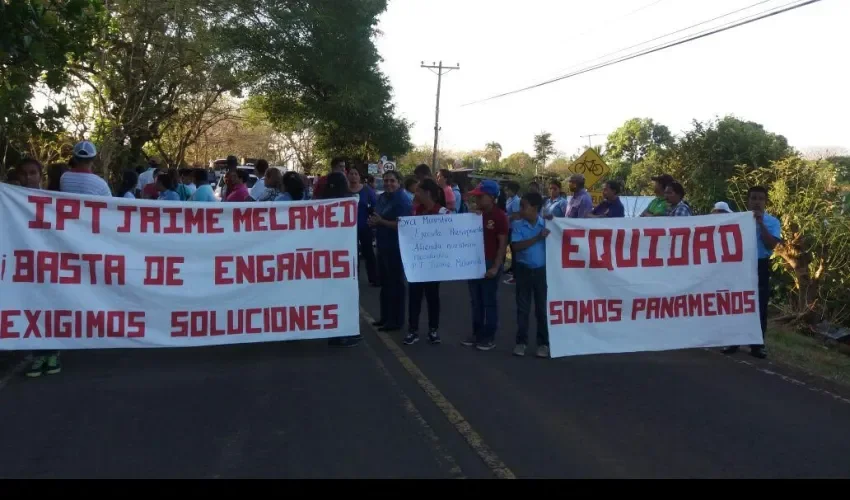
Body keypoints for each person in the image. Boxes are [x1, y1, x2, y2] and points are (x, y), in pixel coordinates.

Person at [722, 186, 781, 359]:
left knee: (759, 305)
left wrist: (760, 223)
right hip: (739, 265)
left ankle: (757, 345)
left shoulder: (772, 222)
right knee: (736, 302)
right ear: (748, 201)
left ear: (765, 202)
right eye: (753, 198)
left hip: (760, 265)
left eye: (760, 199)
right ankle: (733, 341)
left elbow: (771, 245)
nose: (756, 202)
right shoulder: (737, 220)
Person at [315, 172, 363, 348]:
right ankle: (345, 332)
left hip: (327, 257)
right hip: (344, 258)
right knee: (347, 295)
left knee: (331, 295)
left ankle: (334, 333)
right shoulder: (349, 203)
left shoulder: (320, 204)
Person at [462, 180, 509, 351]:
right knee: (476, 301)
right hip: (473, 262)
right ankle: (477, 333)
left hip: (489, 263)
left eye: (481, 197)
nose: (478, 200)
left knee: (489, 301)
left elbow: (502, 245)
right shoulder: (475, 215)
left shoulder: (500, 216)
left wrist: (496, 267)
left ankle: (489, 336)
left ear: (491, 197)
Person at [404, 178, 449, 346]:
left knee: (432, 297)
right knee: (414, 297)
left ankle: (433, 330)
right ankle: (413, 330)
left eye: (418, 191)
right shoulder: (415, 212)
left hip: (434, 265)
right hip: (417, 263)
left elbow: (455, 233)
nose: (415, 194)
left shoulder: (444, 213)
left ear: (427, 193)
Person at [369, 170, 412, 334]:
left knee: (396, 284)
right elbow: (377, 215)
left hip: (396, 247)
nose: (388, 184)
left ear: (399, 182)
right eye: (386, 180)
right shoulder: (382, 197)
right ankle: (385, 317)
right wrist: (374, 221)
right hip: (382, 245)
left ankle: (396, 320)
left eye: (392, 181)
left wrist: (381, 222)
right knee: (385, 284)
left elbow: (403, 225)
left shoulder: (402, 199)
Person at [511, 192, 551, 358]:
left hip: (542, 272)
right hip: (523, 270)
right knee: (523, 308)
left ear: (534, 208)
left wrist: (556, 223)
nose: (520, 210)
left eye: (524, 206)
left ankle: (543, 344)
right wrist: (537, 237)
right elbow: (516, 247)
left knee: (541, 309)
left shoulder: (547, 224)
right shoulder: (518, 225)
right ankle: (521, 342)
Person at [348, 168, 378, 287]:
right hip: (349, 229)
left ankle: (374, 278)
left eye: (356, 174)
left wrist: (373, 220)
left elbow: (375, 206)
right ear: (347, 176)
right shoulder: (344, 190)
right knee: (352, 254)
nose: (354, 176)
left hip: (365, 226)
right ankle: (353, 279)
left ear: (359, 177)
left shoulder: (367, 190)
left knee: (368, 252)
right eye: (351, 173)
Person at [502, 181, 522, 285]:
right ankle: (512, 269)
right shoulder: (509, 199)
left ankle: (516, 275)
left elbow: (515, 215)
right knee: (508, 249)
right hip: (508, 227)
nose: (506, 191)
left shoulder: (516, 201)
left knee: (514, 251)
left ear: (512, 190)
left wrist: (504, 219)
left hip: (514, 228)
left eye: (507, 190)